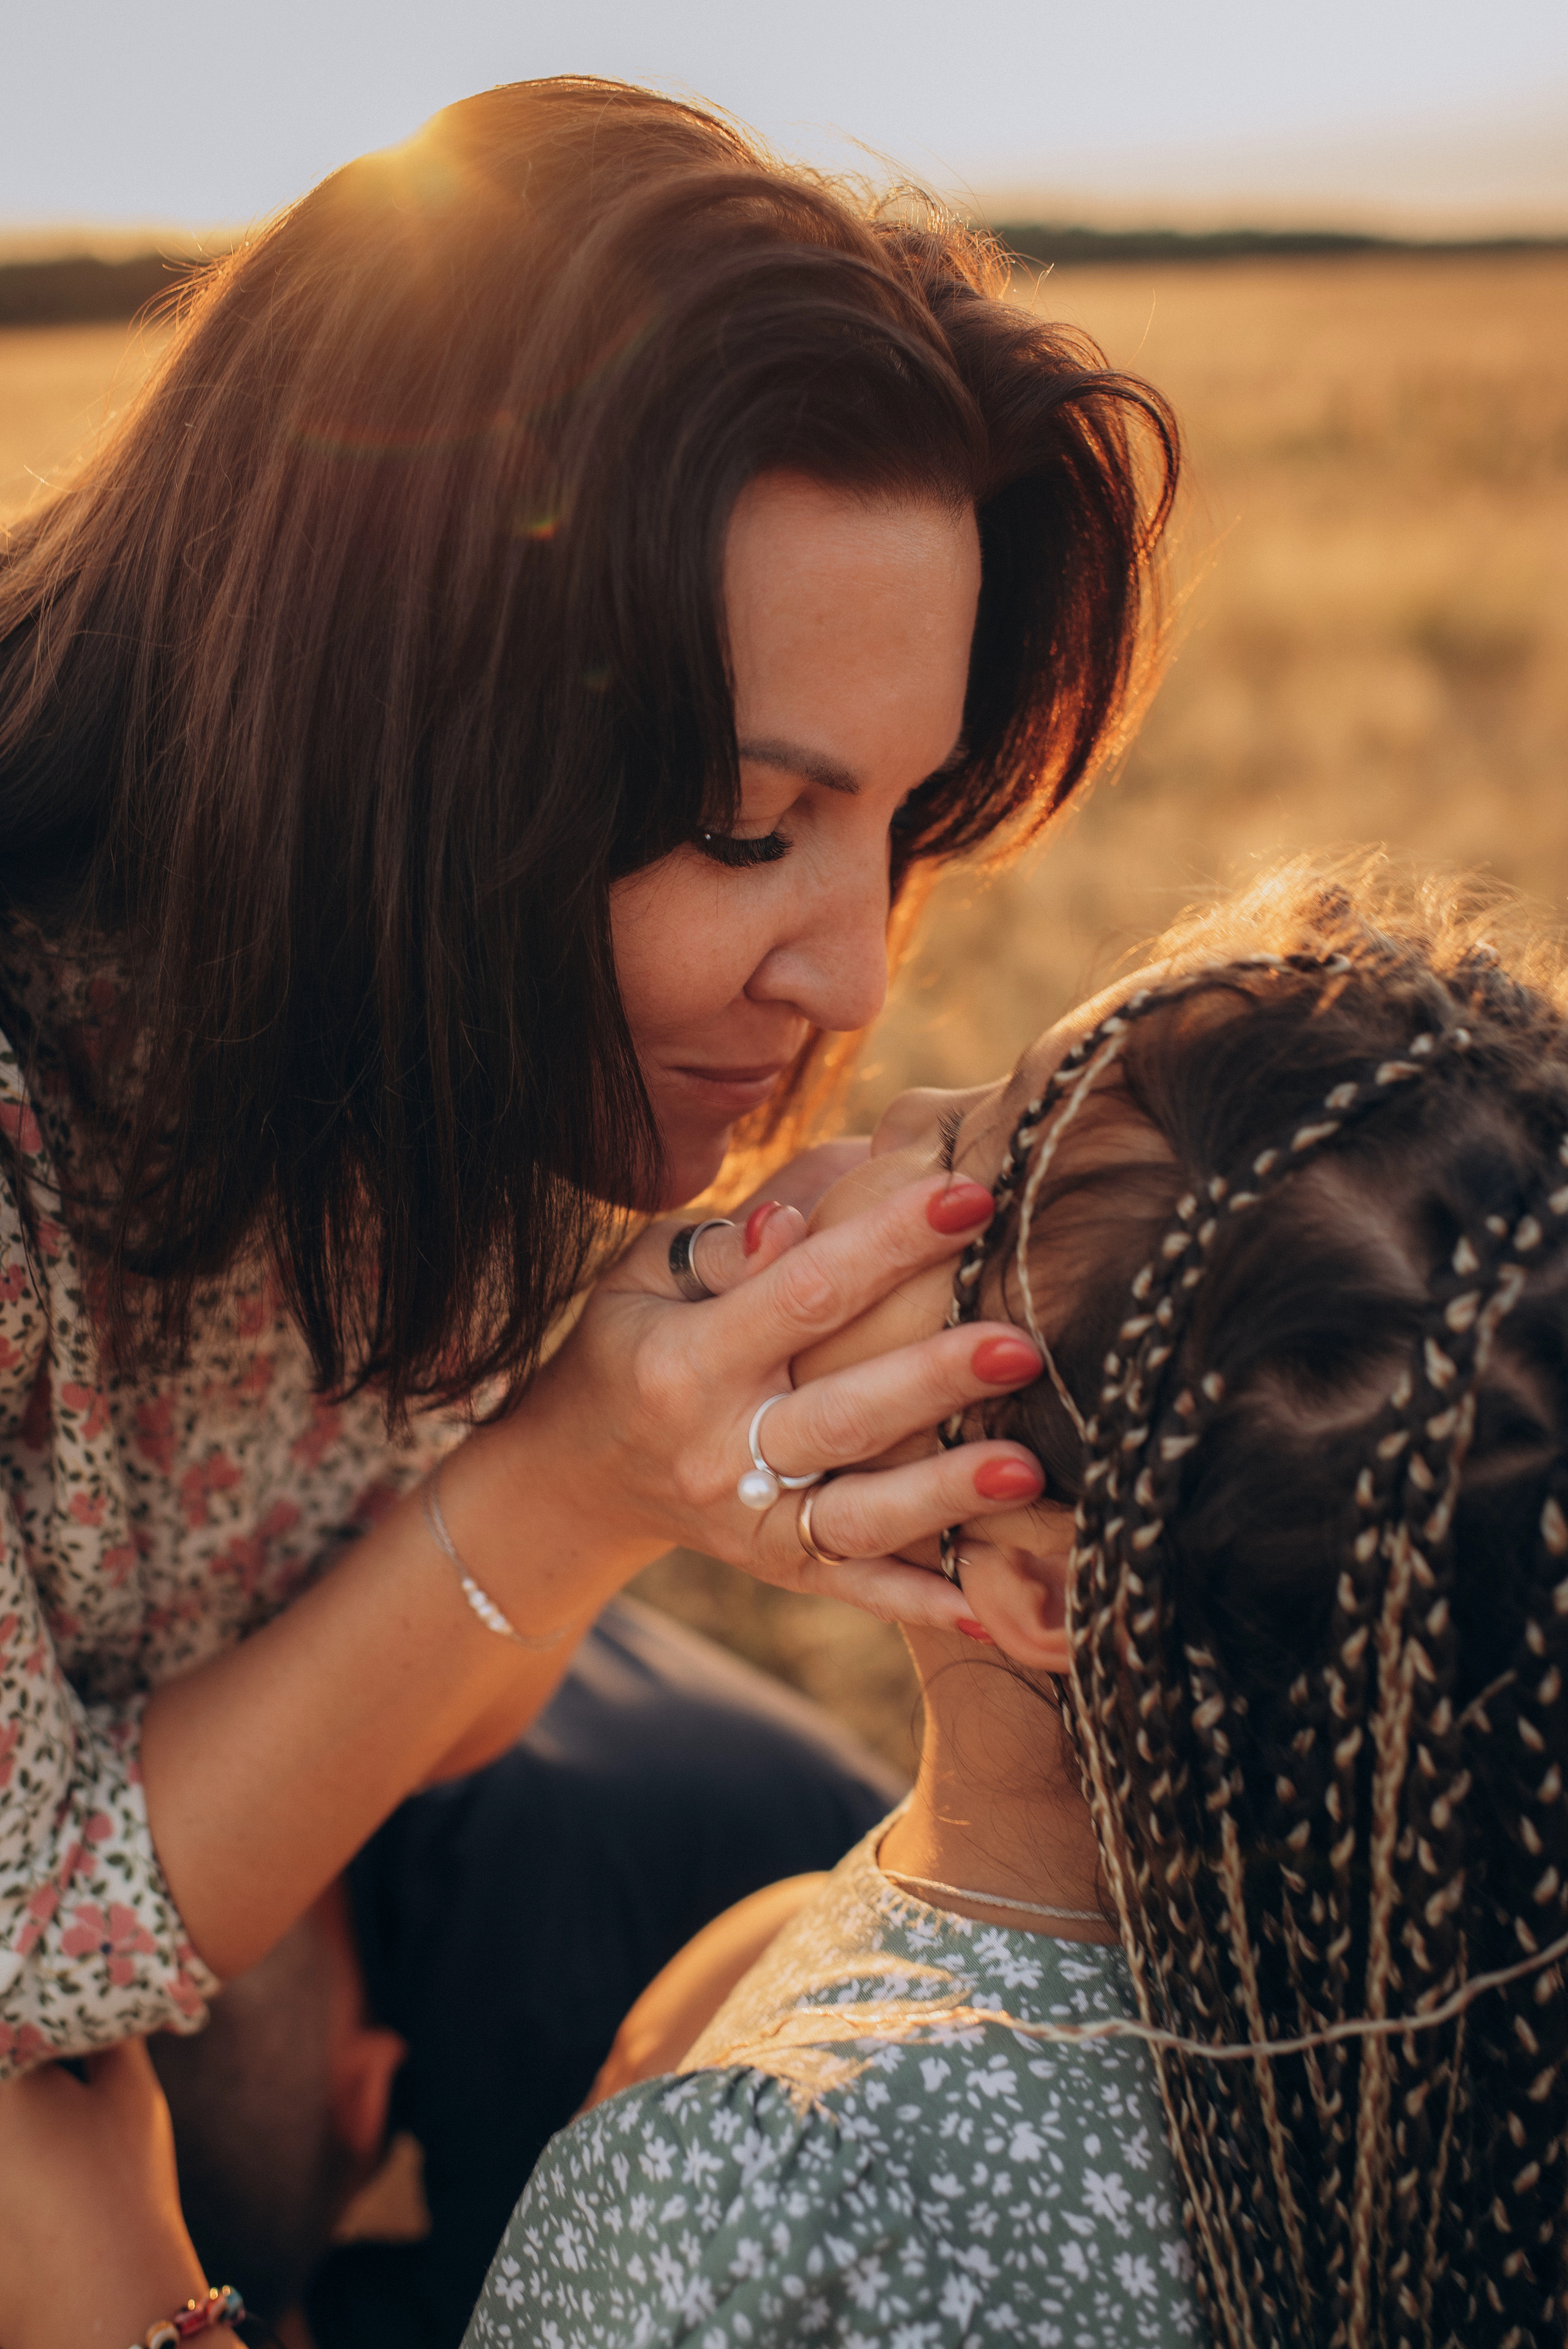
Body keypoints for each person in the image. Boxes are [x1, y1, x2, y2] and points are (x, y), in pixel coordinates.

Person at [0, 73, 1178, 2345]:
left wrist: (636, 1472)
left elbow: (410, 1653)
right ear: (388, 730)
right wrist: (572, 1481)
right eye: (749, 826)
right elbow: (29, 1966)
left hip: (253, 1881)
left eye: (901, 819)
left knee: (799, 1889)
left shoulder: (412, 1003)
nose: (857, 974)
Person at [458, 866, 1568, 2349]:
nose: (904, 1102)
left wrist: (159, 2280)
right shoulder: (1470, 2020)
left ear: (1045, 1585)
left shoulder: (757, 2192)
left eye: (965, 1157)